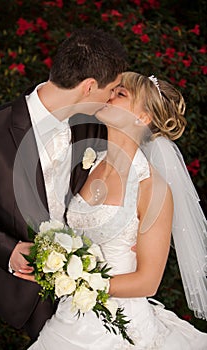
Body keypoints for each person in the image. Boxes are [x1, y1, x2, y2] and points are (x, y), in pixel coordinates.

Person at [23, 72, 207, 349]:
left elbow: (147, 282)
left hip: (118, 325)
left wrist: (74, 279)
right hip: (67, 317)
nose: (108, 94)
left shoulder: (152, 189)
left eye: (121, 94)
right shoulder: (86, 163)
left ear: (143, 118)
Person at [0, 28, 129, 341]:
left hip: (89, 300)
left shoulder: (96, 127)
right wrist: (8, 250)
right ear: (89, 86)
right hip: (21, 304)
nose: (113, 98)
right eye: (112, 89)